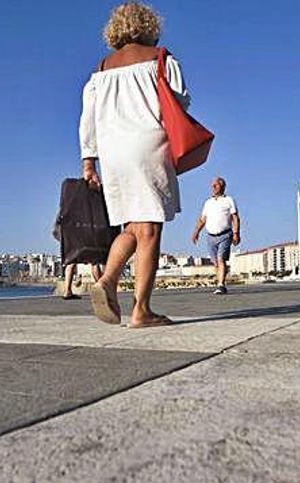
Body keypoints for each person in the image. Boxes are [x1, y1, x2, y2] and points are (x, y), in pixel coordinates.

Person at [79, 2, 192, 328]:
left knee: (133, 226)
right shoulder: (161, 59)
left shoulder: (100, 70)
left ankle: (107, 280)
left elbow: (87, 121)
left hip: (114, 152)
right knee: (151, 227)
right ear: (150, 26)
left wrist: (89, 162)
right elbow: (181, 100)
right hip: (148, 144)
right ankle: (141, 309)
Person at [191, 177, 240, 294]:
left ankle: (221, 285)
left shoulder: (229, 200)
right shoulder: (208, 203)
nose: (213, 188)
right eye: (212, 185)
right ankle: (220, 282)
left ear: (222, 186)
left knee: (221, 259)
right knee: (216, 263)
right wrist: (196, 232)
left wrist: (236, 233)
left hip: (225, 234)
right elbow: (202, 219)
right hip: (210, 236)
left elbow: (235, 217)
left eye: (216, 185)